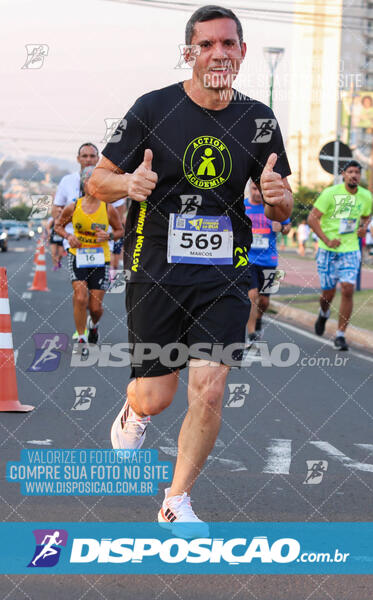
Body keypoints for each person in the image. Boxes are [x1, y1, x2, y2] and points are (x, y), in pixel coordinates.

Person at [89, 5, 293, 533]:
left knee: (209, 388)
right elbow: (98, 182)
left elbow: (282, 201)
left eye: (228, 43)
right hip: (155, 265)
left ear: (242, 52)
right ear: (190, 52)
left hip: (225, 270)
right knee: (157, 395)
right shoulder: (153, 108)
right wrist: (127, 185)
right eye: (206, 45)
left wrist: (277, 198)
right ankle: (134, 412)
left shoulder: (259, 120)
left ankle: (176, 498)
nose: (218, 53)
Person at [52, 142, 125, 338]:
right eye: (84, 156)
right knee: (80, 295)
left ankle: (93, 323)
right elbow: (57, 220)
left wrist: (110, 237)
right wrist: (66, 238)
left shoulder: (108, 204)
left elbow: (120, 227)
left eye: (92, 156)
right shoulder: (71, 195)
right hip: (76, 251)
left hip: (101, 255)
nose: (88, 159)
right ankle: (81, 335)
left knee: (95, 306)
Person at [308, 160, 372, 350]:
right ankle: (323, 313)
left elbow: (366, 216)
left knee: (347, 288)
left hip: (350, 249)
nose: (354, 175)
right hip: (328, 250)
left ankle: (340, 334)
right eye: (350, 172)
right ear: (343, 174)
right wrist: (327, 240)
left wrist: (363, 228)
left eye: (357, 172)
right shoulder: (330, 193)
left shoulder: (366, 196)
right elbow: (312, 218)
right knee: (328, 293)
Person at [245, 180, 291, 344]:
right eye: (254, 189)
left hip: (269, 260)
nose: (257, 193)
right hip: (248, 258)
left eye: (259, 189)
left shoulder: (273, 207)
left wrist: (282, 228)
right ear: (250, 188)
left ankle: (258, 320)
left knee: (264, 301)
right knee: (253, 295)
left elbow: (287, 225)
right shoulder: (242, 206)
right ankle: (251, 333)